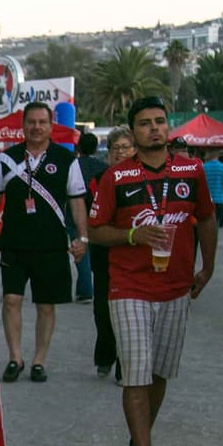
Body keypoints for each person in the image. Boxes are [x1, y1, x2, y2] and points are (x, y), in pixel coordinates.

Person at [87, 95, 217, 446]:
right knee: (137, 374)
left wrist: (207, 268)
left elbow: (207, 220)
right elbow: (95, 230)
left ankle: (138, 435)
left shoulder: (191, 170)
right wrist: (132, 234)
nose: (154, 128)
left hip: (175, 288)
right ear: (133, 131)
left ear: (168, 126)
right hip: (128, 288)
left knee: (159, 373)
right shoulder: (117, 178)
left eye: (159, 121)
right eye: (144, 123)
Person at [0, 101, 89, 383]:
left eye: (43, 122)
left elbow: (77, 201)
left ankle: (39, 360)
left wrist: (82, 237)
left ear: (51, 126)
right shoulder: (7, 158)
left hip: (52, 245)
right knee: (11, 299)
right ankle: (15, 357)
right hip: (14, 243)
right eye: (31, 122)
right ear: (23, 125)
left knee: (45, 305)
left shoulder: (67, 160)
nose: (37, 127)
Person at [89, 126, 134, 380]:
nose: (119, 153)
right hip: (103, 250)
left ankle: (123, 364)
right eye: (115, 148)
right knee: (102, 308)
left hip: (131, 252)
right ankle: (105, 355)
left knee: (127, 308)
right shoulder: (99, 177)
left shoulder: (142, 178)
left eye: (124, 148)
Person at [74, 131, 107, 302]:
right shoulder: (103, 167)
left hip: (75, 212)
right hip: (97, 213)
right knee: (92, 249)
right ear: (95, 148)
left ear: (79, 146)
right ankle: (85, 287)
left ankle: (86, 289)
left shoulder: (73, 165)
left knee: (81, 249)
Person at [203, 149, 223, 228]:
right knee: (217, 220)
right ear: (217, 156)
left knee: (208, 221)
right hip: (219, 198)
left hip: (207, 198)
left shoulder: (204, 167)